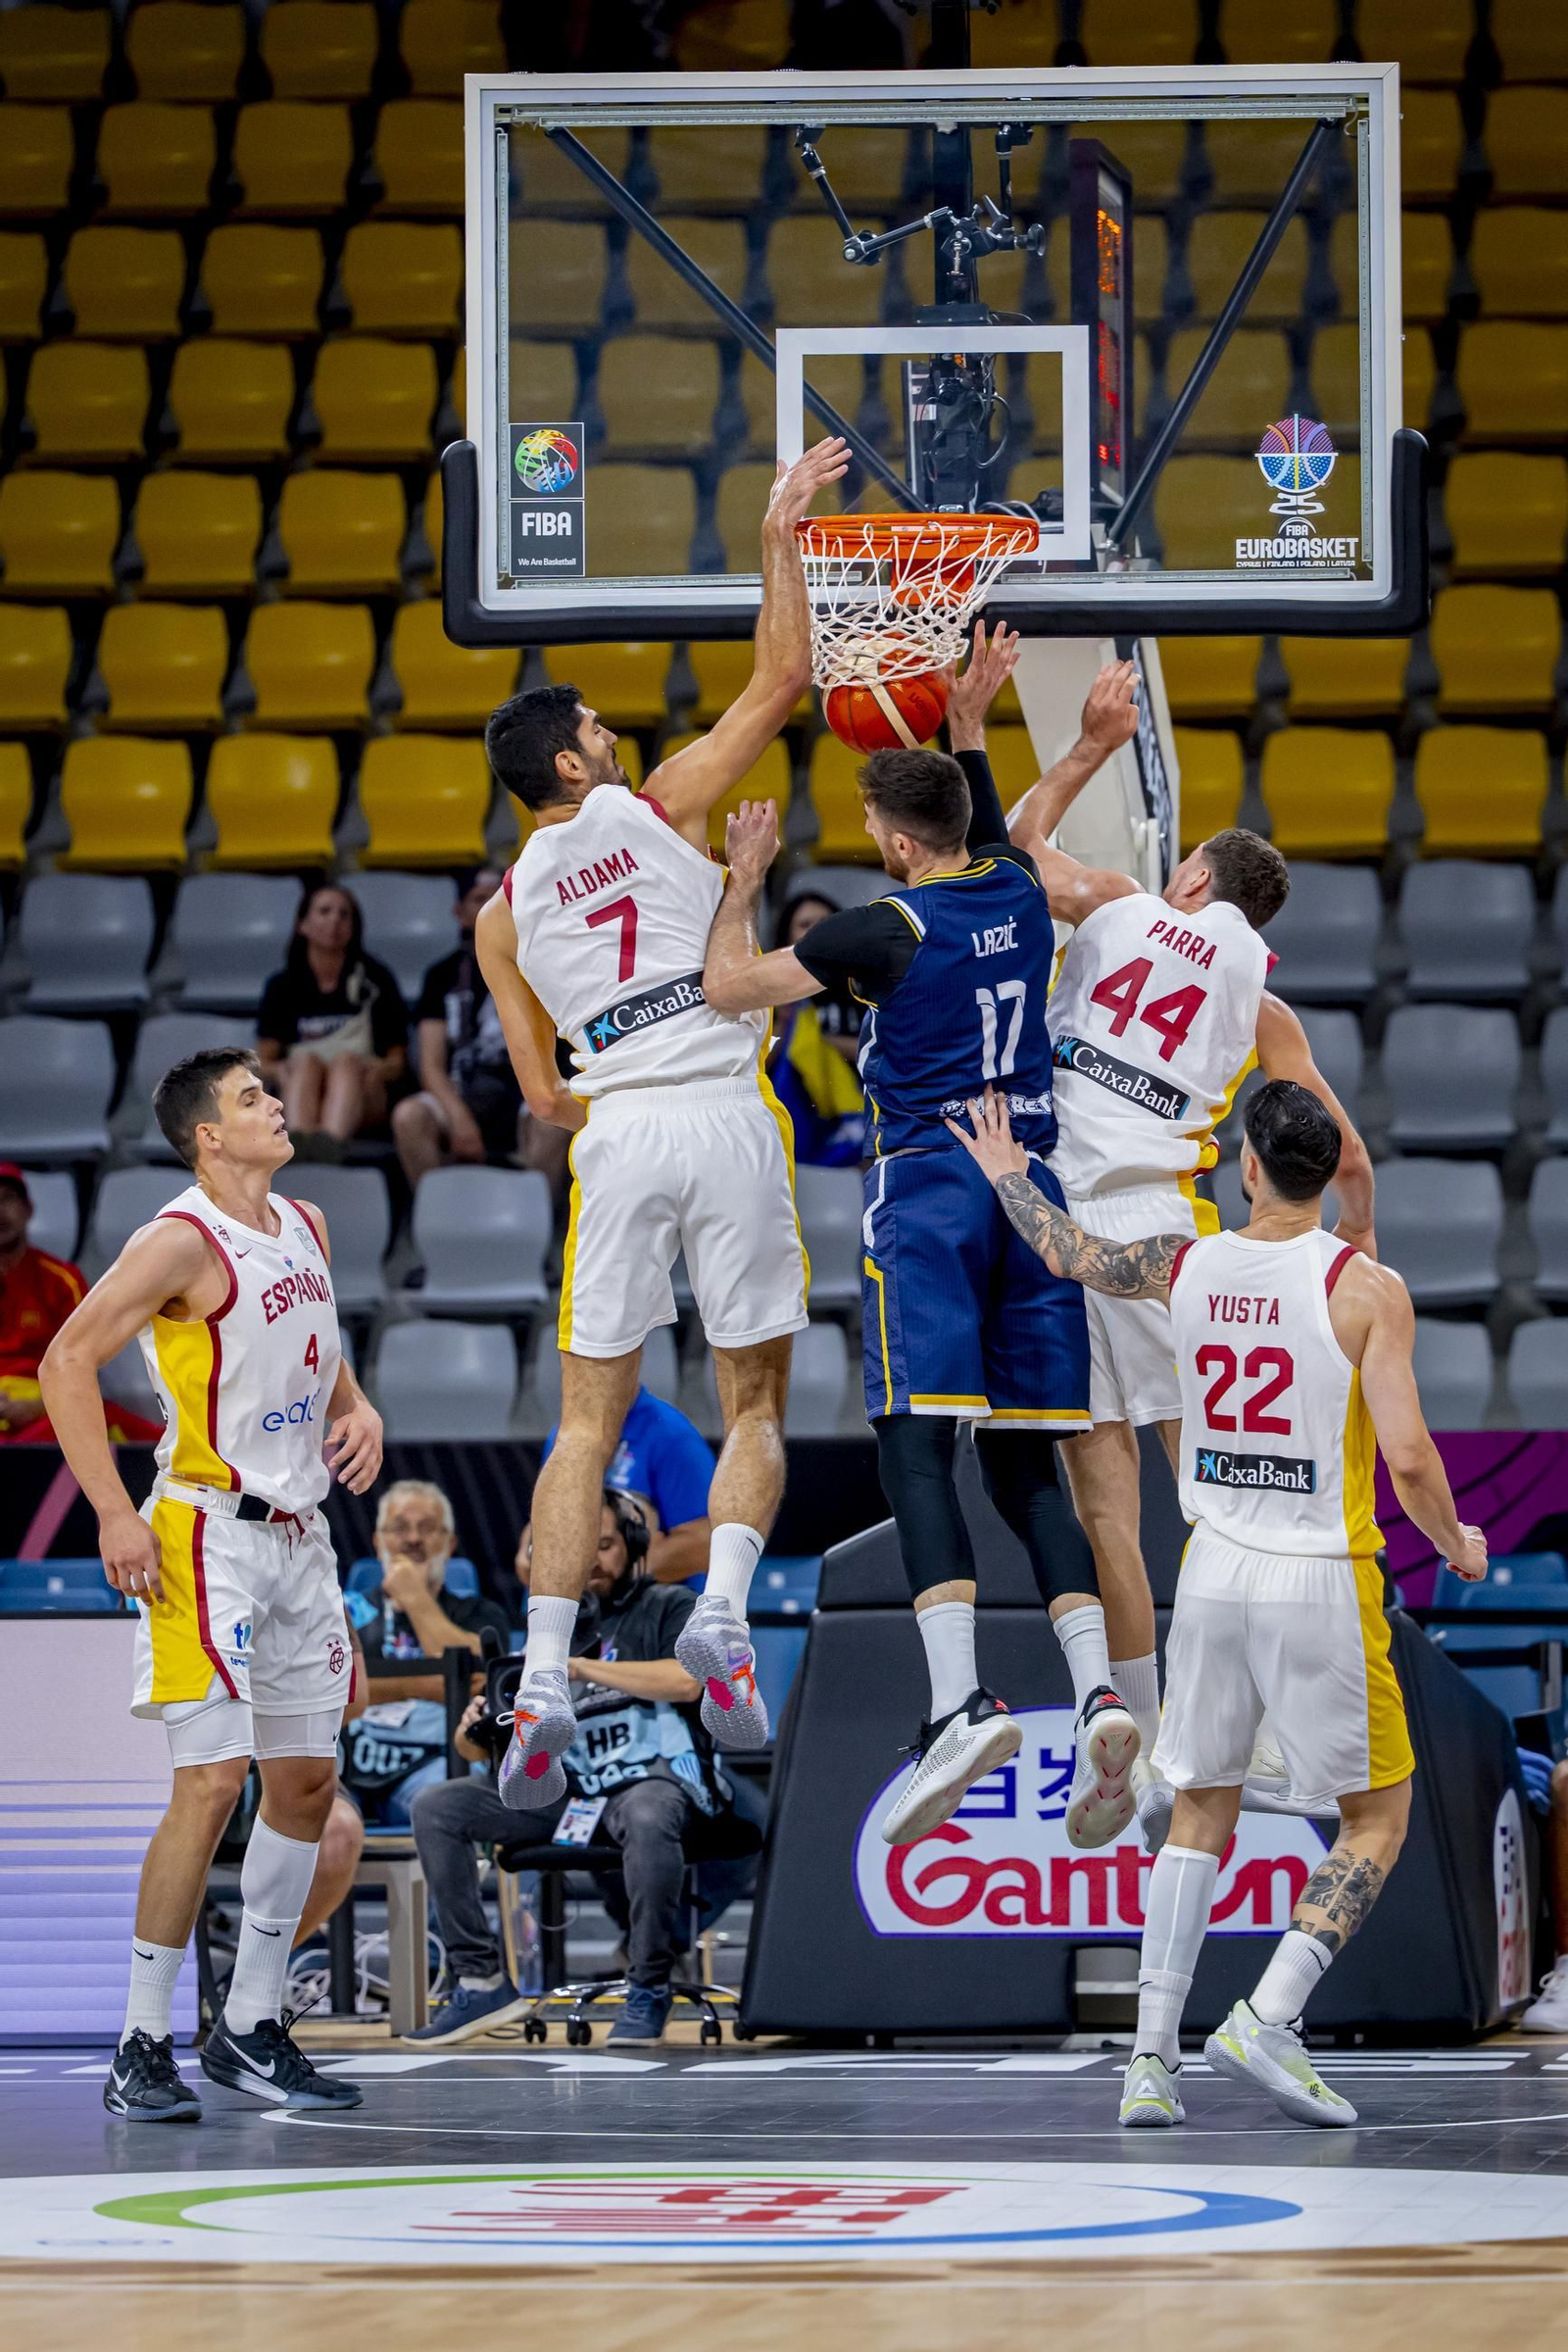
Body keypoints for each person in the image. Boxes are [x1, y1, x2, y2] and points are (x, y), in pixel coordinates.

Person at [949, 1078, 1488, 2130]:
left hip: (1213, 1571)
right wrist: (1454, 1541)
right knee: (1376, 1817)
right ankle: (1269, 2016)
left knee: (1199, 1807)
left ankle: (1150, 2060)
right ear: (1327, 1175)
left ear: (1246, 1167)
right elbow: (1412, 1457)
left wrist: (1009, 1173)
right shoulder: (1365, 1289)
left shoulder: (1184, 1261)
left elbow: (1068, 1253)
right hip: (1319, 1574)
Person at [702, 630, 1144, 1852]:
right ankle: (1099, 1695)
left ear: (897, 844)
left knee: (914, 1450)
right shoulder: (1015, 886)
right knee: (1027, 1471)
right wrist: (968, 721)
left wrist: (741, 880)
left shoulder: (877, 928)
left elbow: (728, 989)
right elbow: (990, 820)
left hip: (934, 1186)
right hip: (1032, 1190)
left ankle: (957, 1705)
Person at [472, 435, 851, 1796]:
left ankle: (538, 1678)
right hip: (726, 1112)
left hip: (620, 1126)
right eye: (592, 731)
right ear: (570, 769)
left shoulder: (500, 916)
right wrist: (778, 530)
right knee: (753, 1400)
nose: (610, 736)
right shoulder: (660, 806)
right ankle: (727, 1619)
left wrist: (614, 1077)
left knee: (586, 1422)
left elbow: (538, 1097)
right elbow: (785, 676)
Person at [983, 664, 1378, 1842]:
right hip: (1167, 1238)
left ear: (1193, 876)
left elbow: (1012, 849)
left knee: (1105, 1513)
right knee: (1221, 1502)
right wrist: (1357, 1245)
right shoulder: (1263, 1006)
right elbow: (1345, 1157)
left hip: (1057, 1224)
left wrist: (1089, 747)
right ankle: (1257, 1732)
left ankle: (1146, 1754)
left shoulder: (1114, 904)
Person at [37, 1045, 385, 2122]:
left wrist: (356, 1406)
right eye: (251, 1098)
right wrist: (110, 1511)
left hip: (300, 1538)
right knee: (211, 1782)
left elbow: (319, 1352)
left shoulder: (307, 1223)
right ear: (207, 1135)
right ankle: (140, 2042)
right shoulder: (177, 1240)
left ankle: (251, 2025)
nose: (274, 1105)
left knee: (308, 1785)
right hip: (204, 1534)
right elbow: (64, 1360)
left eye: (268, 1091)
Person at [410, 1491, 739, 2047]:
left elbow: (688, 1680)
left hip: (653, 1780)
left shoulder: (670, 1605)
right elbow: (482, 1754)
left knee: (648, 1811)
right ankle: (480, 1978)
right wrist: (478, 1727)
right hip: (569, 1791)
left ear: (633, 1546)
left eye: (604, 1545)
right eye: (579, 1547)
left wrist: (582, 1668)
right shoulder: (552, 1624)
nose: (591, 1561)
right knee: (438, 1806)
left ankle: (649, 1984)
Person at [338, 1479, 515, 1827]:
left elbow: (480, 1684)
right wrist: (423, 1686)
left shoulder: (482, 1614)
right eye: (399, 1528)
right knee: (313, 1803)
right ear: (378, 1542)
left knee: (444, 1801)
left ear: (450, 1544)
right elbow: (327, 1687)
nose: (413, 1539)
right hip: (351, 1760)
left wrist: (414, 1596)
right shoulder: (348, 1609)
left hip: (435, 1762)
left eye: (428, 1528)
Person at [392, 864, 570, 1208]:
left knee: (552, 1120)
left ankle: (535, 1226)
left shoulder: (543, 966)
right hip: (462, 1089)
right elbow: (431, 1066)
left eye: (498, 898)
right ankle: (438, 1219)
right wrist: (459, 1118)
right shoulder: (441, 975)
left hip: (524, 1093)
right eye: (479, 899)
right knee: (409, 1116)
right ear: (459, 913)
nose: (490, 906)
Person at [0, 1162, 162, 1445]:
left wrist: (39, 1405)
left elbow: (84, 1357)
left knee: (97, 1421)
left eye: (7, 1199)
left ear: (28, 1210)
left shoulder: (61, 1279)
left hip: (45, 1403)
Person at [256, 882, 408, 1159]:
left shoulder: (376, 980)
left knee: (345, 1062)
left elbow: (397, 1062)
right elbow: (264, 1062)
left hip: (364, 1092)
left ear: (353, 927)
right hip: (303, 1085)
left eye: (344, 914)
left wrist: (376, 1069)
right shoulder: (282, 986)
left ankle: (329, 1148)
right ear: (303, 924)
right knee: (305, 1062)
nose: (335, 920)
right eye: (325, 911)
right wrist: (283, 1070)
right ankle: (300, 1146)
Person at [541, 1382, 716, 1587]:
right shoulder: (563, 1432)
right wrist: (532, 1556)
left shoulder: (672, 1435)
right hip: (578, 1598)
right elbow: (541, 1527)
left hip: (650, 1600)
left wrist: (616, 1567)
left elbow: (705, 1542)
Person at [765, 891, 866, 1166]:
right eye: (804, 924)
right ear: (786, 937)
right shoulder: (772, 993)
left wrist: (828, 1045)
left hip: (870, 1104)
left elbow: (894, 1050)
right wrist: (784, 1022)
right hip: (799, 1114)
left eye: (825, 921)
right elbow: (758, 1065)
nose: (816, 930)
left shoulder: (868, 980)